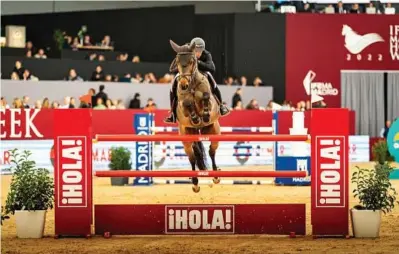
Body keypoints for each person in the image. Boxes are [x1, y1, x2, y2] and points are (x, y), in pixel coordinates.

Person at [164, 37, 230, 123]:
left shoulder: (206, 54)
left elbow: (212, 68)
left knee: (212, 80)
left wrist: (198, 62)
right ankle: (172, 113)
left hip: (201, 72)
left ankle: (221, 106)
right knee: (173, 85)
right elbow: (173, 68)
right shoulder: (186, 51)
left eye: (200, 51)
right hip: (187, 73)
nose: (198, 53)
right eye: (196, 51)